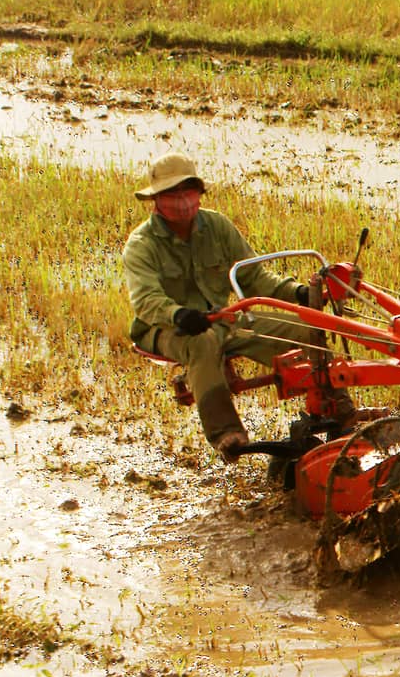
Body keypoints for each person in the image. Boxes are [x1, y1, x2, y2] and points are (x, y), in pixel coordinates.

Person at [121, 152, 317, 462]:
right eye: (173, 194)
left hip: (222, 320)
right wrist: (179, 315)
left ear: (199, 194)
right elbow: (146, 301)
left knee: (307, 333)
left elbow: (253, 276)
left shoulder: (217, 226)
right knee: (202, 342)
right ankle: (226, 433)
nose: (183, 202)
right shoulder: (141, 244)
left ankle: (330, 410)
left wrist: (299, 293)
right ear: (156, 200)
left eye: (188, 192)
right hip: (164, 328)